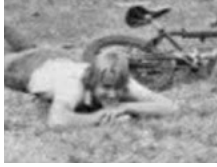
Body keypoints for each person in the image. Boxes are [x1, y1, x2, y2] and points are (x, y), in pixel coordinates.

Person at [4, 29, 177, 128]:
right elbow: (56, 121)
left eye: (118, 88)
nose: (112, 94)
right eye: (106, 87)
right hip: (25, 67)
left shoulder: (118, 77)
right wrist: (99, 117)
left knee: (29, 46)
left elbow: (171, 107)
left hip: (58, 57)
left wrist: (126, 106)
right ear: (92, 81)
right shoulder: (73, 85)